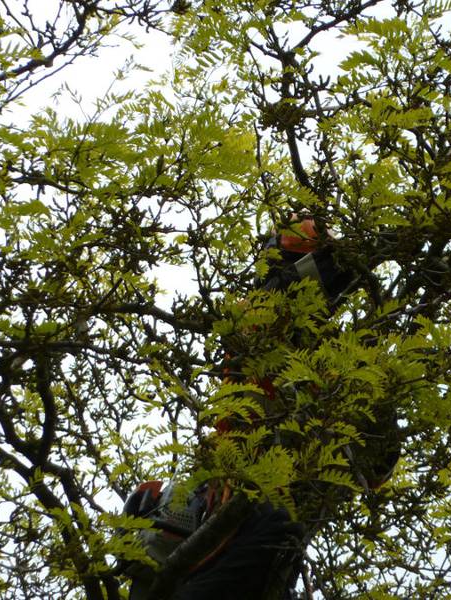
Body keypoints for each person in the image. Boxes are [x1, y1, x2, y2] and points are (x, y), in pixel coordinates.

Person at [123, 217, 398, 599]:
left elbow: (377, 467)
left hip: (262, 516)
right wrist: (392, 238)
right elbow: (298, 284)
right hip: (233, 500)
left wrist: (379, 395)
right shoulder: (258, 316)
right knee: (158, 505)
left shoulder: (334, 358)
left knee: (275, 525)